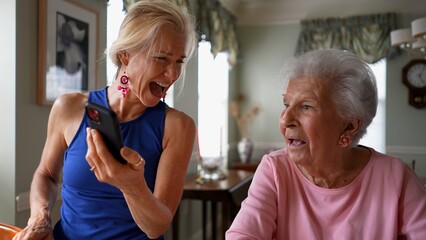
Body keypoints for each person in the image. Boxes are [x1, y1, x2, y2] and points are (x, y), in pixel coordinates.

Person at [14, 0, 197, 239]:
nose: (173, 74)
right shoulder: (68, 108)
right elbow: (46, 174)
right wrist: (40, 216)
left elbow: (156, 227)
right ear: (125, 56)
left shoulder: (178, 126)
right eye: (162, 58)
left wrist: (132, 186)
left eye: (179, 61)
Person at [226, 49, 426, 239]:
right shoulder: (275, 169)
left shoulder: (395, 177)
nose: (286, 120)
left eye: (306, 106)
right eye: (286, 104)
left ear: (349, 126)